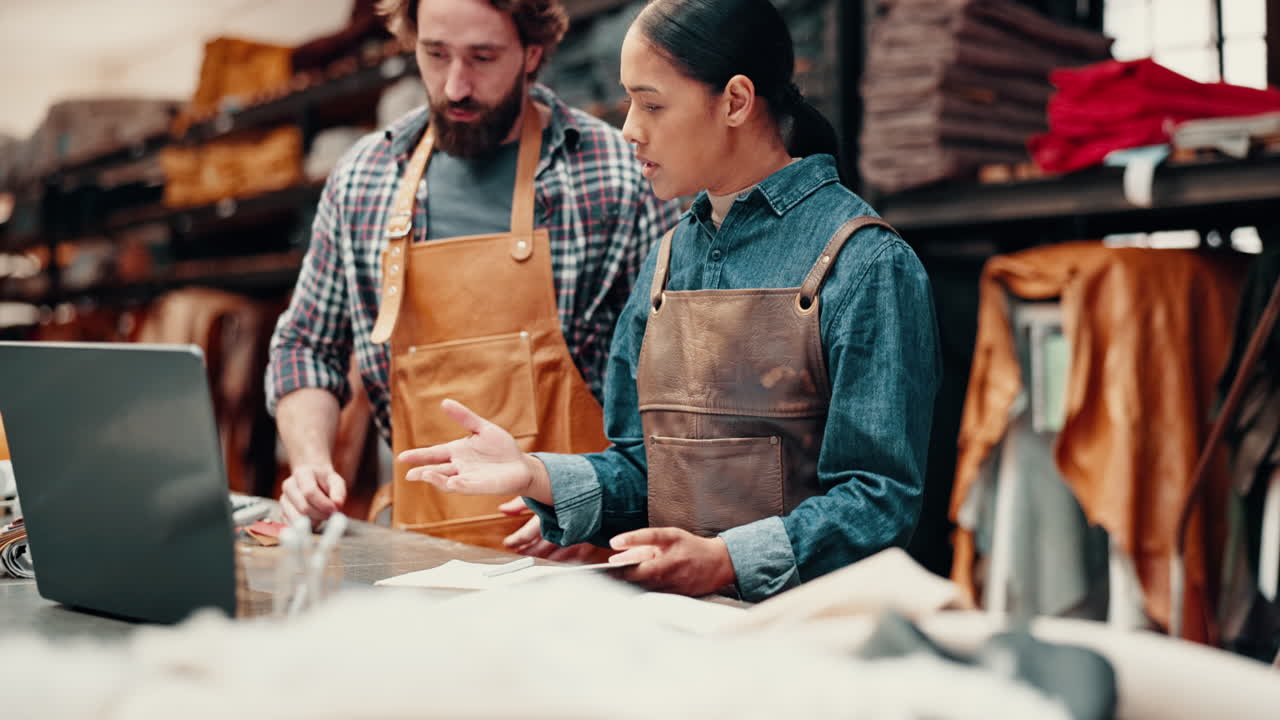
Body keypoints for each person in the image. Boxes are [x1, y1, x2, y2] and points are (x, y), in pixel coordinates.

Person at [397, 0, 942, 600]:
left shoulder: (866, 263)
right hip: (682, 638)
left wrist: (727, 560)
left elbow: (878, 500)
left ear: (735, 101)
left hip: (813, 647)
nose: (630, 126)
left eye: (652, 104)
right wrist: (535, 472)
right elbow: (643, 471)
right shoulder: (666, 260)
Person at [266, 0, 680, 556]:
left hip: (583, 556)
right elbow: (306, 345)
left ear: (532, 54)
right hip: (420, 552)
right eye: (435, 55)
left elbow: (678, 380)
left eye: (482, 58)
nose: (455, 86)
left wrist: (600, 505)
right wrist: (312, 461)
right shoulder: (365, 179)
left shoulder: (617, 174)